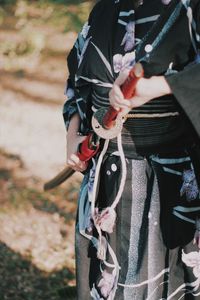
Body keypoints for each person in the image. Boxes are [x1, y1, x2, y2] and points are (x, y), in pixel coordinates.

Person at [63, 0, 200, 299]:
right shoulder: (104, 10)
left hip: (169, 181)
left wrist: (164, 86)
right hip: (106, 175)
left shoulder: (188, 10)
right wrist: (73, 135)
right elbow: (77, 81)